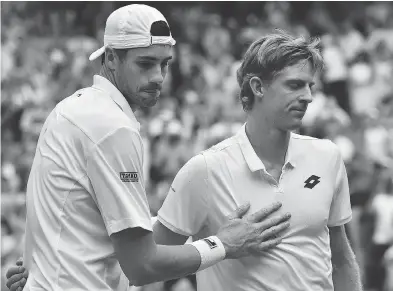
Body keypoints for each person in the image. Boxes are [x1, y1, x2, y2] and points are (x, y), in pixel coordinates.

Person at [5, 5, 292, 291]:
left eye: (164, 63)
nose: (158, 76)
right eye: (145, 64)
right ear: (112, 58)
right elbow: (141, 266)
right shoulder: (112, 126)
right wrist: (223, 244)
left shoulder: (71, 108)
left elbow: (97, 229)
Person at [153, 31, 362, 290]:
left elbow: (341, 259)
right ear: (258, 87)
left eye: (310, 86)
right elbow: (148, 264)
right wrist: (219, 246)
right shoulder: (204, 170)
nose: (308, 96)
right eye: (295, 85)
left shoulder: (328, 156)